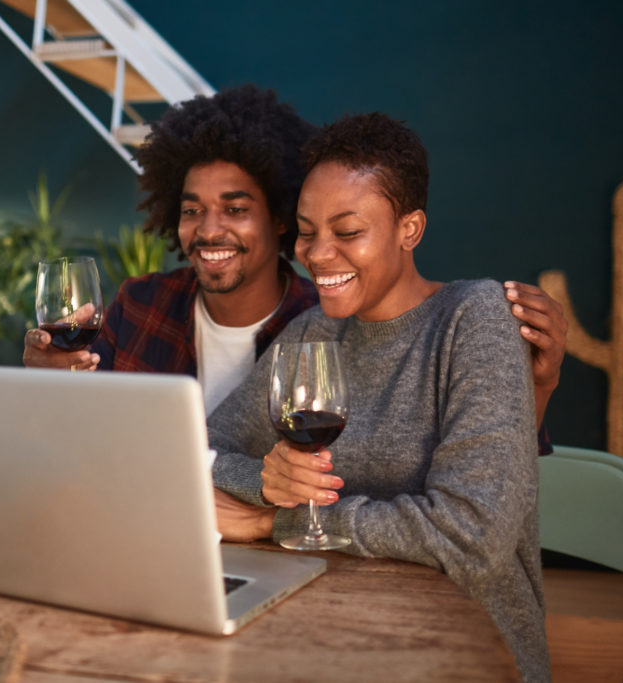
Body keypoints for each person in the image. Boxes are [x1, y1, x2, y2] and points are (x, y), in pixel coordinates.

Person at [208, 113, 549, 681]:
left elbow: (471, 537)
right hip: (335, 631)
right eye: (307, 230)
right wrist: (269, 484)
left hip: (466, 649)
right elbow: (203, 452)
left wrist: (276, 523)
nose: (317, 254)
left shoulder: (476, 319)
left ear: (409, 228)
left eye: (347, 232)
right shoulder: (312, 333)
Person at [23, 85, 567, 428]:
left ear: (280, 218)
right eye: (192, 210)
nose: (209, 230)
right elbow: (80, 438)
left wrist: (538, 386)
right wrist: (46, 385)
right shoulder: (140, 305)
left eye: (235, 209)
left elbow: (485, 484)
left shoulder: (324, 320)